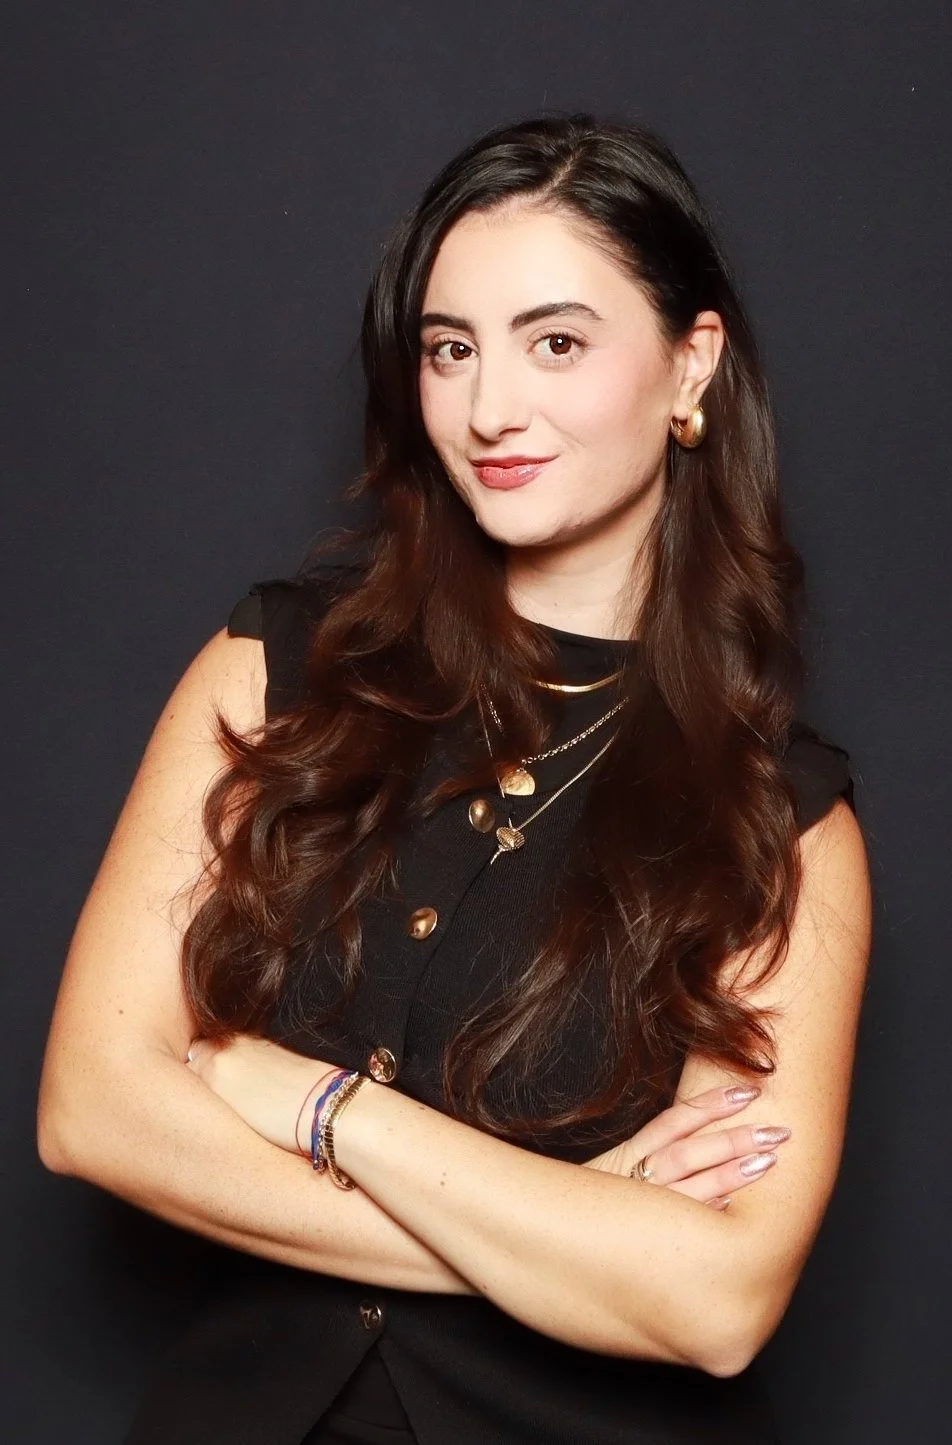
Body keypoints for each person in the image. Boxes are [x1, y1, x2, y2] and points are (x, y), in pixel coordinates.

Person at [37, 113, 871, 1445]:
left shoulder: (781, 820)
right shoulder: (274, 671)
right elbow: (92, 1112)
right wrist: (579, 1235)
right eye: (448, 349)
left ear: (688, 366)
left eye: (557, 342)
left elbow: (713, 1304)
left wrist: (315, 1104)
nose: (490, 408)